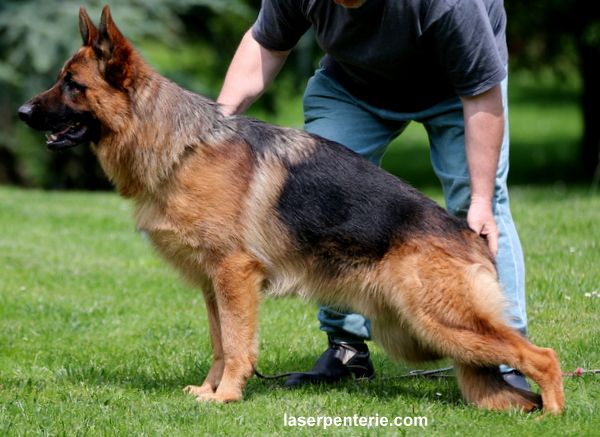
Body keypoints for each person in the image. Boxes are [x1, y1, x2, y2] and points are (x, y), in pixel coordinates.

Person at [217, 0, 531, 392]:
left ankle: (506, 356)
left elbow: (482, 94)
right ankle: (347, 350)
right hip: (354, 84)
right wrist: (215, 125)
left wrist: (482, 200)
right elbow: (265, 44)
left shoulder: (450, 5)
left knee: (477, 207)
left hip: (457, 88)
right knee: (322, 200)